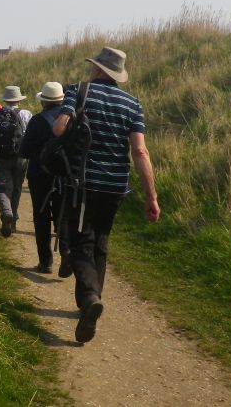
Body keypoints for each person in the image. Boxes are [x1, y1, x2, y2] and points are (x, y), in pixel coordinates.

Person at [51, 47, 160, 343]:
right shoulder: (133, 104)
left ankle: (89, 298)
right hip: (116, 187)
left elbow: (59, 129)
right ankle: (90, 305)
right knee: (100, 242)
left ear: (98, 68)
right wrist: (151, 196)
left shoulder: (78, 91)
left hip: (84, 183)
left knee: (81, 242)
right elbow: (140, 151)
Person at [20, 82, 65, 274]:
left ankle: (45, 262)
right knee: (63, 216)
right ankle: (67, 253)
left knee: (41, 217)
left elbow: (24, 151)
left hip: (39, 175)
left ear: (43, 101)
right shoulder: (70, 119)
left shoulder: (37, 120)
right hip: (64, 176)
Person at [0, 86, 32, 236]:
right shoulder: (26, 114)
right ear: (18, 100)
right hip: (21, 157)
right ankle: (13, 221)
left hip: (1, 156)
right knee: (17, 187)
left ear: (5, 100)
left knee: (2, 188)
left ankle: (6, 212)